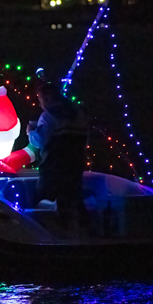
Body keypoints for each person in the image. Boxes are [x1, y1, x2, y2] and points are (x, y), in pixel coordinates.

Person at [28, 82, 91, 230]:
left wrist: (31, 132)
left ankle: (45, 235)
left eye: (40, 99)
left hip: (53, 168)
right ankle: (84, 231)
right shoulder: (78, 114)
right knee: (73, 199)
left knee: (43, 201)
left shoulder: (48, 115)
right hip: (75, 166)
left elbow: (40, 141)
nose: (39, 103)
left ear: (48, 98)